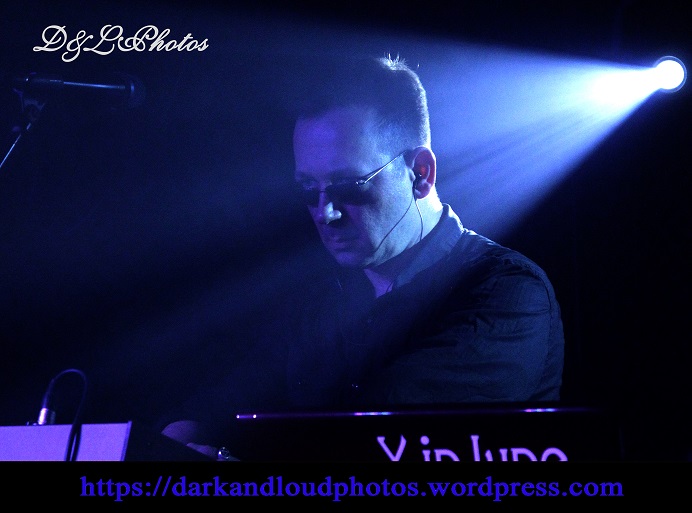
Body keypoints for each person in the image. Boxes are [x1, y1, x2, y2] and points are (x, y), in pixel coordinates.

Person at [160, 55, 565, 460]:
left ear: (420, 173)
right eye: (308, 188)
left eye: (349, 185)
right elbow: (234, 395)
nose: (326, 213)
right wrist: (177, 436)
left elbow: (380, 444)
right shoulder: (325, 297)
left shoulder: (507, 293)